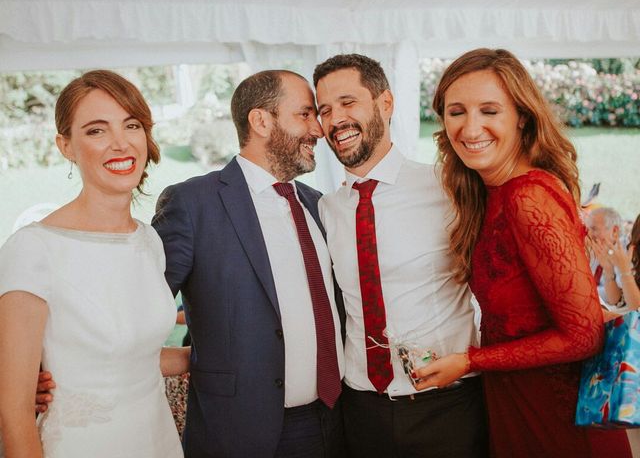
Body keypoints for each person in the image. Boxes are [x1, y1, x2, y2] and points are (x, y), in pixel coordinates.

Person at [412, 48, 631, 457]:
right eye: (456, 111)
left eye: (489, 111)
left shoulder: (527, 197)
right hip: (517, 399)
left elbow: (584, 336)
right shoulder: (491, 192)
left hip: (557, 414)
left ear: (522, 117)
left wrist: (470, 360)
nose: (470, 127)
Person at [151, 70, 346, 457]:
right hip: (242, 431)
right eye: (305, 115)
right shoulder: (192, 205)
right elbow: (137, 314)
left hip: (337, 421)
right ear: (261, 121)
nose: (318, 130)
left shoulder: (317, 203)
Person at [0, 70, 188, 458]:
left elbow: (134, 357)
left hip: (158, 442)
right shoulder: (33, 248)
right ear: (66, 146)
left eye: (131, 125)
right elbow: (13, 410)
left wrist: (206, 358)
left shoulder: (148, 240)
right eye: (96, 131)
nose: (120, 143)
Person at [313, 54, 487, 457]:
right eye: (325, 110)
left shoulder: (449, 186)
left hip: (448, 408)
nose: (336, 119)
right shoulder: (326, 210)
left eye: (347, 102)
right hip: (361, 411)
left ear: (385, 103)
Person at [588, 207, 633, 309]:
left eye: (594, 229)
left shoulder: (626, 256)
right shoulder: (593, 248)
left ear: (614, 231)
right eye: (588, 229)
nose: (590, 234)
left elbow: (617, 299)